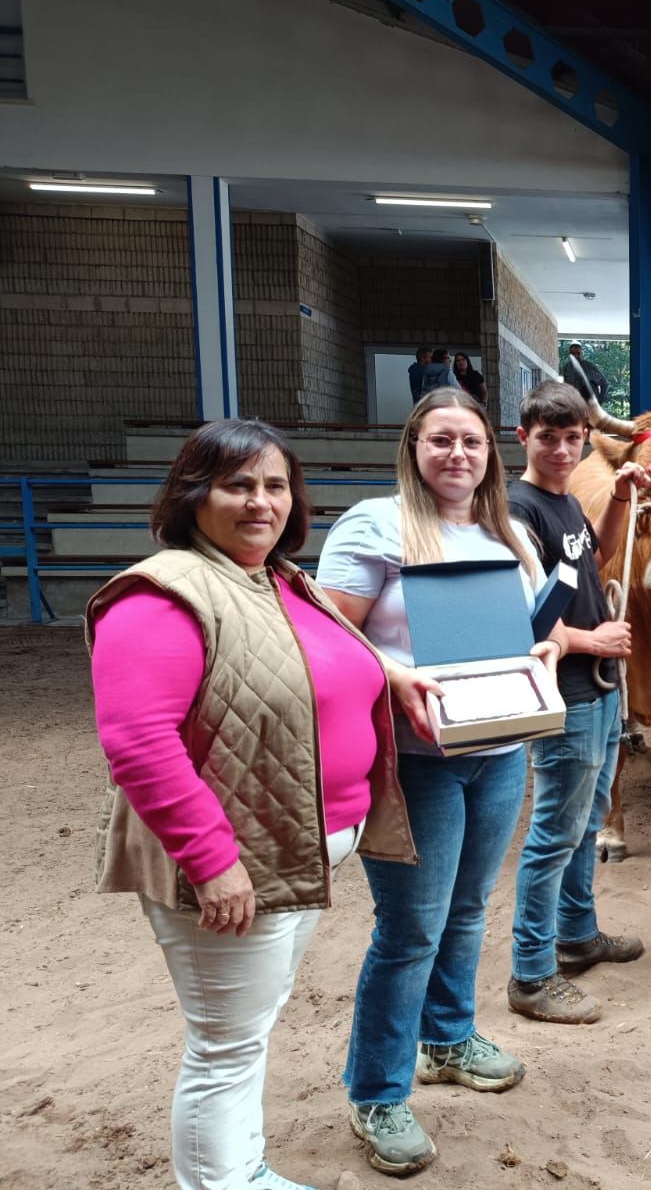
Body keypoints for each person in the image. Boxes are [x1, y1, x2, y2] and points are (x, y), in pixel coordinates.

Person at [87, 419, 424, 1190]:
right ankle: (223, 1182)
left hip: (296, 845)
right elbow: (139, 743)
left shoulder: (277, 578)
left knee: (246, 1030)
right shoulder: (160, 595)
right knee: (225, 1044)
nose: (260, 502)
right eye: (238, 485)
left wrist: (393, 679)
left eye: (275, 486)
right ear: (192, 493)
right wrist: (214, 863)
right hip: (235, 863)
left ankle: (239, 1170)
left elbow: (336, 661)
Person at [320, 388, 563, 1175]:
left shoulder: (509, 530)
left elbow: (526, 631)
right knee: (410, 930)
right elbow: (326, 635)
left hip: (496, 753)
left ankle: (449, 1039)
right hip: (414, 763)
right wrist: (393, 675)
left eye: (471, 442)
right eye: (440, 441)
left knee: (465, 912)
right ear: (413, 447)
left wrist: (546, 655)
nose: (458, 455)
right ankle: (377, 1093)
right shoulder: (376, 524)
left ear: (490, 452)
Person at [506, 382, 651, 1025]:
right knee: (553, 835)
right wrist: (593, 639)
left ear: (584, 439)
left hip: (593, 688)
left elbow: (601, 554)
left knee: (585, 822)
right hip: (562, 693)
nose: (562, 449)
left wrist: (619, 497)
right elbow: (520, 615)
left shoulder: (562, 505)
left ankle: (577, 934)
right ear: (523, 438)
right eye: (548, 438)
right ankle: (532, 975)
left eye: (572, 438)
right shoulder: (518, 510)